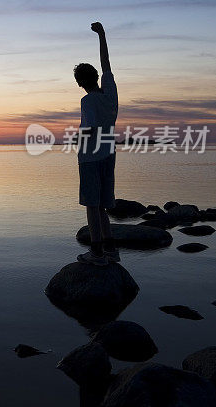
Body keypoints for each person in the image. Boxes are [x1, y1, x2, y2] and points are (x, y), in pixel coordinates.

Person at [74, 22, 119, 266]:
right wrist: (102, 35)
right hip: (109, 155)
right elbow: (106, 63)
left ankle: (97, 253)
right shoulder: (110, 94)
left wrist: (75, 139)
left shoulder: (87, 101)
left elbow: (89, 130)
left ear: (80, 82)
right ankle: (111, 249)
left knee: (92, 206)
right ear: (96, 77)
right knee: (102, 205)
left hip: (90, 159)